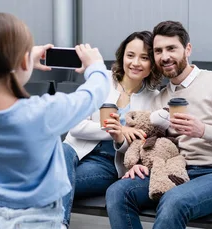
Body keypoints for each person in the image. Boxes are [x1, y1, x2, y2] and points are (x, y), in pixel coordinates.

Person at [0, 12, 112, 229]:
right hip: (37, 220)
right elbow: (91, 96)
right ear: (23, 61)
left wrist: (25, 59)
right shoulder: (40, 114)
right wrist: (95, 66)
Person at [105, 20, 212, 229]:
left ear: (187, 49)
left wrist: (204, 131)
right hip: (176, 170)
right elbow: (155, 143)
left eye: (171, 49)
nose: (165, 56)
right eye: (158, 51)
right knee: (118, 192)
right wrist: (140, 163)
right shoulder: (160, 99)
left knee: (174, 201)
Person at [61, 31, 162, 227]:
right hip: (73, 153)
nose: (135, 63)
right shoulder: (102, 80)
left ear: (152, 65)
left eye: (144, 58)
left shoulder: (154, 99)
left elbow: (140, 143)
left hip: (108, 165)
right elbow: (75, 127)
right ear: (122, 56)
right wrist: (119, 130)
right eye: (130, 55)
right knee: (62, 151)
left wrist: (121, 138)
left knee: (51, 181)